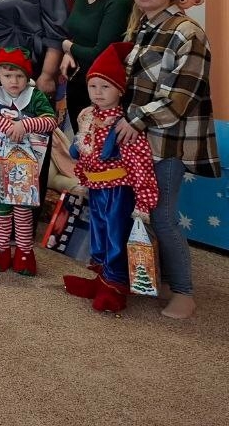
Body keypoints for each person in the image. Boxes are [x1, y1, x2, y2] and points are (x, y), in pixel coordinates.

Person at [119, 0, 218, 320]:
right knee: (142, 213)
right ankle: (156, 278)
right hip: (139, 141)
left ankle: (184, 292)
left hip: (169, 141)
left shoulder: (187, 32)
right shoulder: (144, 28)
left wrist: (136, 121)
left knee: (163, 216)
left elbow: (180, 97)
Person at [63, 41, 158, 314]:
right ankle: (101, 278)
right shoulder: (88, 117)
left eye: (105, 86)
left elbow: (140, 163)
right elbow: (82, 151)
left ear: (120, 90)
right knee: (100, 231)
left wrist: (144, 200)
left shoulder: (124, 124)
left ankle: (115, 285)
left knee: (116, 233)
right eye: (93, 86)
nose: (98, 92)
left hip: (118, 189)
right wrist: (83, 177)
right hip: (96, 187)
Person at [0, 47, 57, 276]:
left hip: (24, 168)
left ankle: (24, 252)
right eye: (8, 75)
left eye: (19, 75)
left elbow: (51, 120)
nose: (14, 81)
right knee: (0, 208)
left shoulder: (34, 96)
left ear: (27, 77)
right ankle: (0, 248)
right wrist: (7, 126)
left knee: (22, 209)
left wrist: (25, 125)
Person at [59, 0, 133, 131]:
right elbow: (77, 32)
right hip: (77, 80)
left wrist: (67, 46)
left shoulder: (120, 0)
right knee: (80, 142)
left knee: (98, 145)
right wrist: (69, 52)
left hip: (103, 88)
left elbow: (101, 53)